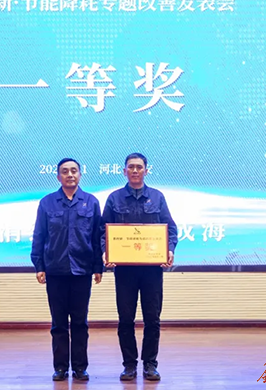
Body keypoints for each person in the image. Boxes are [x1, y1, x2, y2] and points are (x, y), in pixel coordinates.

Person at [101, 153, 178, 382]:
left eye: (139, 167)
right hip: (124, 271)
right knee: (125, 319)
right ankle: (129, 365)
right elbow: (102, 231)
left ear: (146, 170)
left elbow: (171, 230)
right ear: (124, 171)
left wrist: (169, 250)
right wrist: (106, 251)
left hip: (152, 270)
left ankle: (150, 364)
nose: (135, 171)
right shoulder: (114, 198)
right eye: (131, 167)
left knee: (152, 319)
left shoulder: (157, 197)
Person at [30, 158, 103, 382]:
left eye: (74, 171)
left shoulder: (91, 202)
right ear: (58, 176)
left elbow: (97, 237)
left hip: (82, 271)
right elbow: (39, 235)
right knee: (59, 323)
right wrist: (39, 265)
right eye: (65, 171)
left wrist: (98, 267)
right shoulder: (47, 203)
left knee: (80, 322)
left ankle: (80, 368)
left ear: (80, 174)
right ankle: (60, 367)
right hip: (55, 271)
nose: (70, 174)